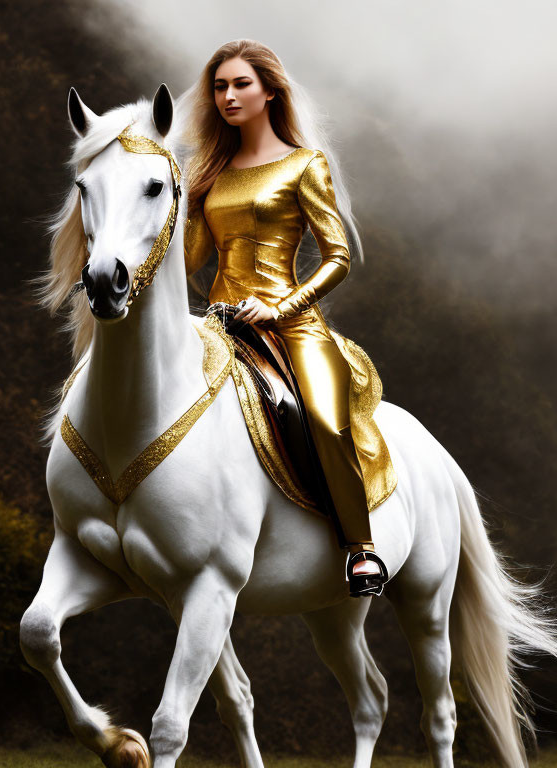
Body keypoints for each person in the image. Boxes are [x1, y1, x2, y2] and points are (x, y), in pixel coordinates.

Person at [179, 39, 398, 597]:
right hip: (221, 321)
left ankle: (361, 549)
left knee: (326, 419)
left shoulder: (305, 165)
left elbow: (338, 257)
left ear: (270, 90)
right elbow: (186, 260)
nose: (227, 95)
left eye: (240, 84)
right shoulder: (211, 173)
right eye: (220, 86)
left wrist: (281, 306)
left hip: (291, 323)